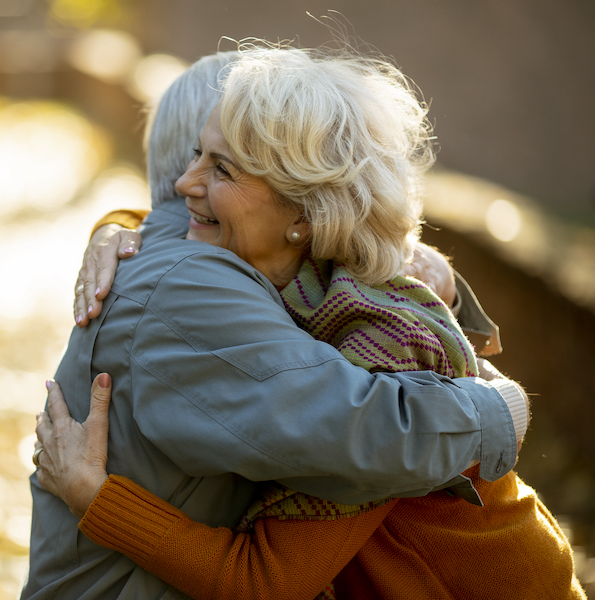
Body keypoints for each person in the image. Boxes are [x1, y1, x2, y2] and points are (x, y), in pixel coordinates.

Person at [33, 46, 584, 599]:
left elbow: (263, 581)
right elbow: (177, 234)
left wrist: (95, 498)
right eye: (194, 156)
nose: (182, 183)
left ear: (304, 213)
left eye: (219, 166)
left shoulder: (369, 343)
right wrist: (116, 225)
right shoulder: (299, 288)